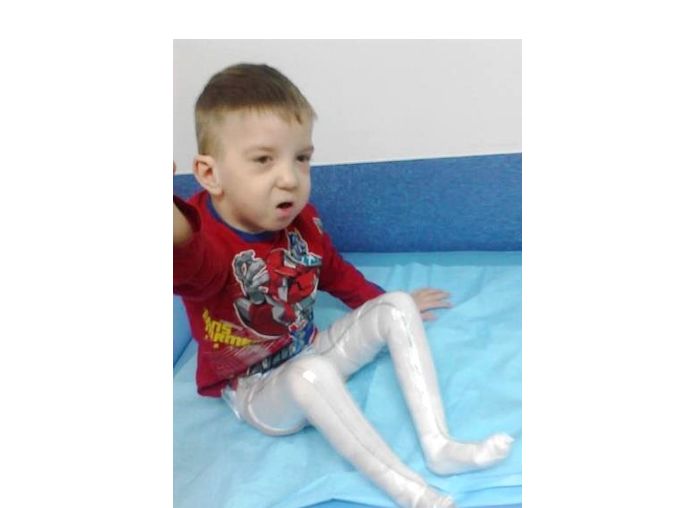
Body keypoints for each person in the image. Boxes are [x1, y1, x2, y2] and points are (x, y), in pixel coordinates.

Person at [173, 63, 513, 508]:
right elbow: (186, 256)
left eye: (301, 158)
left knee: (394, 305)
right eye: (263, 160)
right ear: (210, 174)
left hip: (309, 350)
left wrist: (386, 305)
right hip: (258, 391)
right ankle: (414, 493)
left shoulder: (302, 222)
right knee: (311, 375)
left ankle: (441, 447)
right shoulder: (206, 244)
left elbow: (333, 272)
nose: (290, 178)